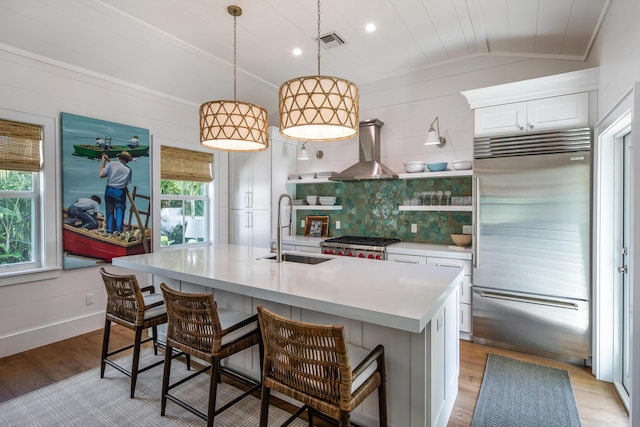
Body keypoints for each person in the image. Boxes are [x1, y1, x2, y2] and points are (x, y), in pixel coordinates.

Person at [99, 151, 133, 234]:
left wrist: (103, 161)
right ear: (127, 160)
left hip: (109, 190)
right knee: (120, 210)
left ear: (119, 157)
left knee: (109, 210)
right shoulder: (128, 170)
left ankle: (109, 230)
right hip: (120, 191)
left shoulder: (111, 164)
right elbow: (127, 183)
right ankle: (118, 231)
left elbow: (101, 175)